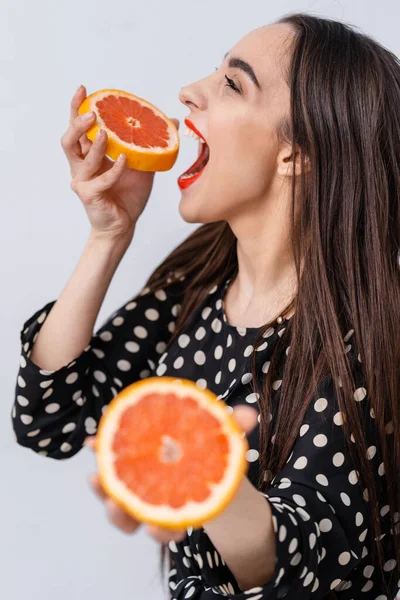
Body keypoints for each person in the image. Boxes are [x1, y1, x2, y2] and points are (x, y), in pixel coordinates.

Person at [12, 11, 400, 600]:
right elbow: (49, 419)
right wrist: (108, 235)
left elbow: (301, 570)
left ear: (298, 153)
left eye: (232, 84)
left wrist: (203, 474)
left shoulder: (370, 340)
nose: (189, 91)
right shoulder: (198, 285)